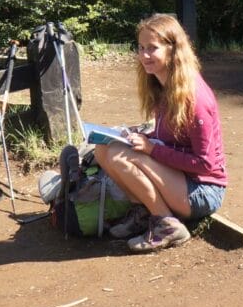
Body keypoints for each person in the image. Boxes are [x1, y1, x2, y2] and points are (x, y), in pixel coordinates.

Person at [95, 13, 227, 252]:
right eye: (141, 47)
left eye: (152, 48)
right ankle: (144, 213)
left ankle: (167, 225)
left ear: (172, 50)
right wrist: (138, 133)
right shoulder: (163, 87)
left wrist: (152, 149)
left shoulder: (195, 98)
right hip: (179, 179)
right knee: (103, 148)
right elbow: (172, 137)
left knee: (123, 156)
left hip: (203, 191)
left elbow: (205, 164)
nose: (144, 55)